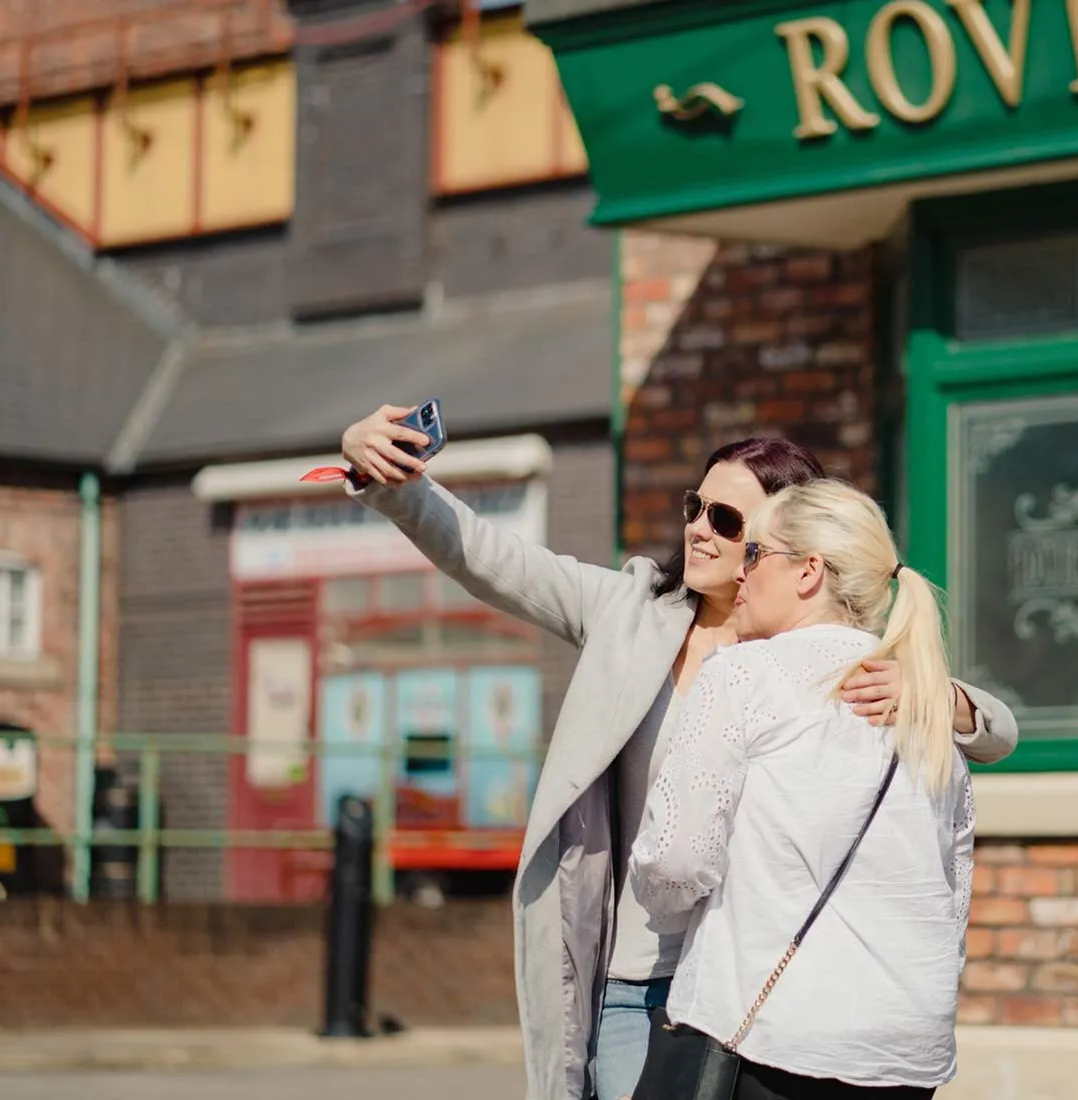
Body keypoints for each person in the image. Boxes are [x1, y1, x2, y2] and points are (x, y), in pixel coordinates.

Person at [338, 406, 1016, 1100]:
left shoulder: (827, 656)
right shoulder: (628, 612)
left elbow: (994, 737)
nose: (697, 528)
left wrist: (942, 697)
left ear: (787, 545)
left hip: (767, 986)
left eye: (726, 520)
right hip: (639, 979)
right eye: (696, 506)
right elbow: (491, 559)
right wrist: (393, 482)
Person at [630, 480, 971, 1100]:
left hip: (774, 1036)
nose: (740, 571)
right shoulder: (927, 704)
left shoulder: (743, 674)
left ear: (809, 571)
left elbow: (675, 861)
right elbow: (950, 890)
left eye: (755, 552)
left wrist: (668, 914)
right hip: (907, 1047)